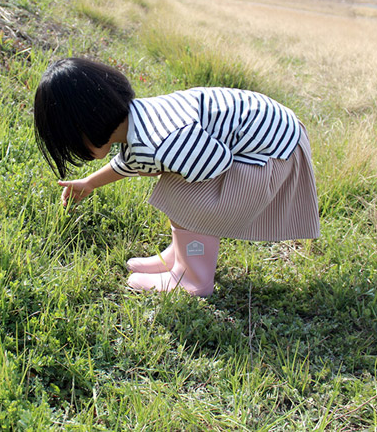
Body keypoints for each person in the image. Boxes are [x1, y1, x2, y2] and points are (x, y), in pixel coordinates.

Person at [33, 57, 320, 297]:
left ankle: (193, 277)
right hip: (273, 139)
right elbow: (133, 161)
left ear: (85, 129)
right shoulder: (139, 120)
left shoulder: (166, 140)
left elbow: (215, 163)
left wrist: (174, 174)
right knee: (177, 184)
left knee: (181, 194)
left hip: (275, 155)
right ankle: (182, 255)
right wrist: (90, 183)